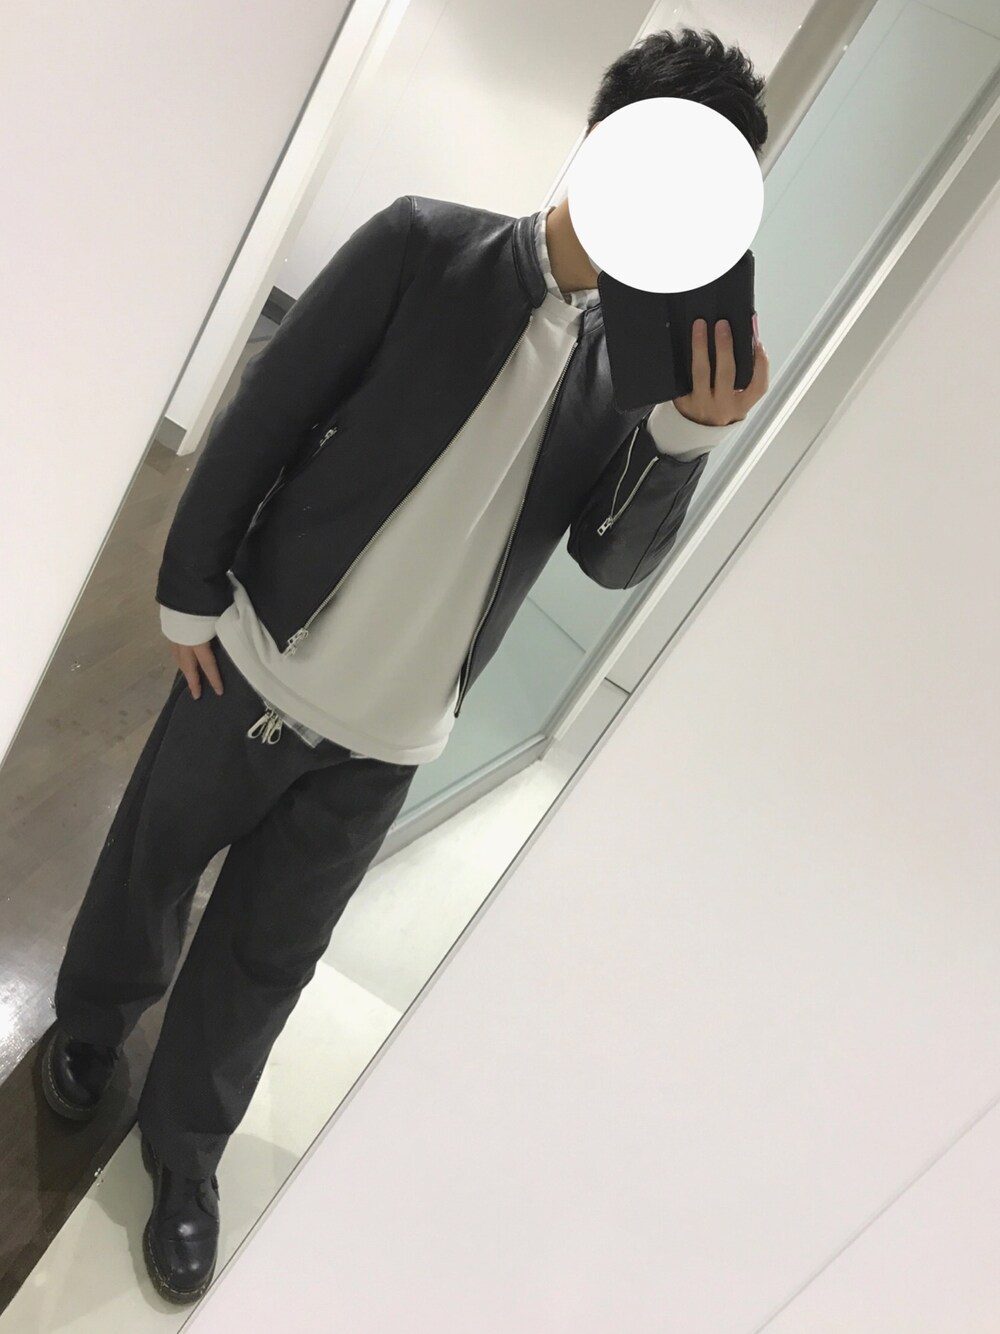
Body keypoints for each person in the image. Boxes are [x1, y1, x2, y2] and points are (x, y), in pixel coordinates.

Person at [41, 27, 769, 1305]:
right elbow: (269, 408)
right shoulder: (424, 245)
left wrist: (686, 439)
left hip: (388, 739)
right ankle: (91, 1028)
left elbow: (610, 558)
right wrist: (189, 589)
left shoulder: (630, 378)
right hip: (252, 664)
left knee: (268, 956)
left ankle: (186, 1149)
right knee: (152, 861)